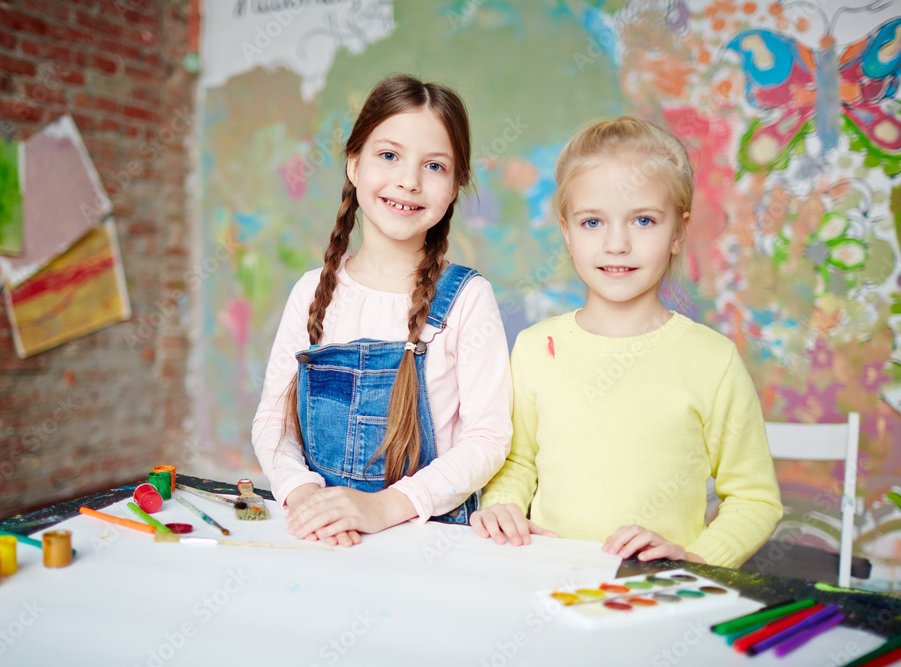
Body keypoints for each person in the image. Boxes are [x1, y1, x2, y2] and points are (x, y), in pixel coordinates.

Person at [470, 117, 782, 569]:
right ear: (566, 232)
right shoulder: (535, 348)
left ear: (678, 232)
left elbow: (755, 499)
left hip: (659, 593)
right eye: (593, 221)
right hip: (545, 580)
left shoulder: (712, 360)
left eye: (643, 220)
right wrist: (503, 507)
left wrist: (695, 559)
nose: (617, 243)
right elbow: (517, 464)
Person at [252, 74, 512, 548]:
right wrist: (303, 493)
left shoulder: (468, 298)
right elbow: (274, 422)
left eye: (434, 166)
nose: (408, 181)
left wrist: (383, 507)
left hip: (429, 543)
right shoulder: (312, 292)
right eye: (388, 155)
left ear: (455, 185)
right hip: (323, 537)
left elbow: (488, 439)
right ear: (354, 163)